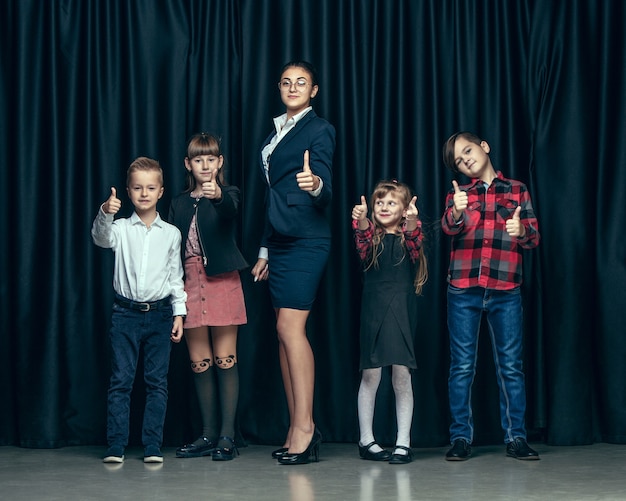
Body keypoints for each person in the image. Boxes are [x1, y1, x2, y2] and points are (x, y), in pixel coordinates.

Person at [250, 60, 335, 465]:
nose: (293, 87)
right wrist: (265, 249)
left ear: (313, 91)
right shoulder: (274, 132)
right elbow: (273, 197)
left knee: (290, 326)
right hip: (279, 241)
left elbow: (323, 180)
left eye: (301, 82)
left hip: (307, 239)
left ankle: (307, 427)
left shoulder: (320, 130)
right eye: (286, 82)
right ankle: (294, 424)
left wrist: (315, 184)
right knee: (283, 335)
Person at [441, 131, 541, 461]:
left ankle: (516, 438)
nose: (465, 159)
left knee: (511, 367)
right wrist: (456, 212)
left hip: (506, 290)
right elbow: (448, 228)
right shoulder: (458, 195)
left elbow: (533, 239)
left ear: (484, 146)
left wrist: (521, 231)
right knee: (462, 367)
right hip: (464, 290)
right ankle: (460, 438)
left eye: (467, 150)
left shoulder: (517, 190)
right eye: (458, 160)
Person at [92, 156, 187, 464]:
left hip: (160, 315)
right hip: (125, 315)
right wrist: (105, 213)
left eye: (150, 187)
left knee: (156, 382)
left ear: (161, 191)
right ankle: (116, 445)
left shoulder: (171, 233)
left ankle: (152, 446)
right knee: (121, 380)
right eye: (137, 188)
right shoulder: (119, 229)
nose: (143, 193)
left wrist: (179, 313)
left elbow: (176, 277)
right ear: (129, 192)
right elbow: (100, 238)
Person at [168, 133, 248, 461]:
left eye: (211, 159)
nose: (205, 164)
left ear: (220, 163)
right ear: (188, 164)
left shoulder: (228, 193)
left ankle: (227, 436)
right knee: (199, 362)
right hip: (189, 283)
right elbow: (171, 250)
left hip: (223, 282)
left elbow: (229, 209)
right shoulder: (178, 202)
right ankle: (207, 434)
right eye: (198, 159)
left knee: (224, 359)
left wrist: (216, 196)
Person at [351, 180, 428, 465]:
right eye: (379, 202)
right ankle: (366, 440)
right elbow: (362, 235)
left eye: (391, 202)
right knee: (370, 375)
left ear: (405, 208)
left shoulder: (410, 237)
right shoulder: (370, 237)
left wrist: (411, 220)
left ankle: (403, 442)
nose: (383, 207)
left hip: (402, 310)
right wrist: (360, 221)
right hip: (373, 310)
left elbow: (414, 240)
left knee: (401, 376)